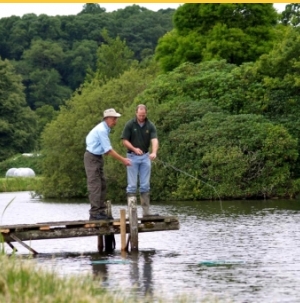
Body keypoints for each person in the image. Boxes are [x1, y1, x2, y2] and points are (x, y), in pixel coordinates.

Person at [84, 108, 131, 220]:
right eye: (114, 119)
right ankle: (94, 213)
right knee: (95, 184)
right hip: (92, 157)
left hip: (97, 156)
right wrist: (123, 160)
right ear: (108, 119)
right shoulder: (102, 130)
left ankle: (100, 210)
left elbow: (101, 147)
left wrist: (100, 149)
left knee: (102, 184)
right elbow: (109, 150)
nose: (116, 121)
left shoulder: (105, 129)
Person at [121, 104, 159, 217]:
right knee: (132, 185)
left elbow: (155, 140)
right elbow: (124, 141)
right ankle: (131, 212)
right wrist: (134, 148)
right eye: (140, 115)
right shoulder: (130, 124)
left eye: (143, 115)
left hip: (145, 156)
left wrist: (154, 152)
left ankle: (146, 212)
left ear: (146, 114)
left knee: (145, 185)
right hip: (132, 156)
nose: (142, 117)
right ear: (136, 113)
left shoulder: (150, 125)